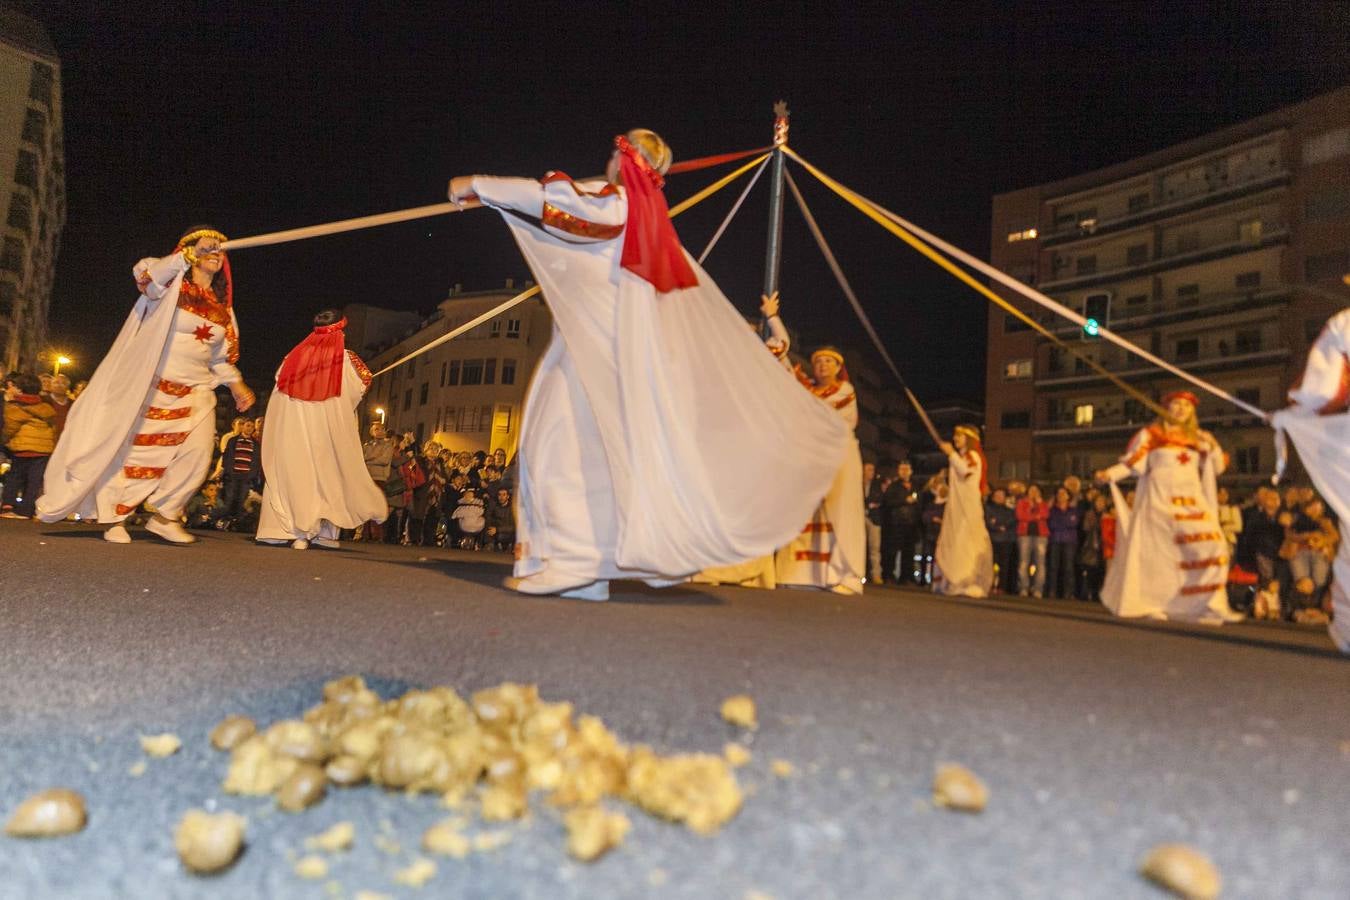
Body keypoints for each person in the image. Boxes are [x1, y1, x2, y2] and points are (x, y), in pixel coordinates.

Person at [448, 129, 848, 600]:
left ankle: (577, 561)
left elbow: (564, 209)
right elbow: (560, 216)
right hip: (603, 351)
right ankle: (587, 568)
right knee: (582, 450)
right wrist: (498, 198)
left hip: (596, 353)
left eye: (616, 156)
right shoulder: (644, 219)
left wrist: (480, 182)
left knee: (567, 449)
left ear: (624, 161)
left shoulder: (618, 205)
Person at [36, 227, 254, 542]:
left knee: (199, 452)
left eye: (220, 250)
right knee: (133, 455)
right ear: (190, 251)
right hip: (152, 385)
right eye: (208, 248)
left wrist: (237, 385)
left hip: (196, 391)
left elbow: (221, 358)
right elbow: (148, 278)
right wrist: (185, 255)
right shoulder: (168, 286)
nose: (215, 254)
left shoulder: (223, 310)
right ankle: (115, 517)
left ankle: (166, 517)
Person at [1094, 390, 1239, 623]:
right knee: (1157, 554)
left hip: (1191, 503)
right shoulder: (1151, 435)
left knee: (1213, 545)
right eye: (1176, 404)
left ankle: (1203, 603)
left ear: (1192, 411)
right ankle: (1151, 602)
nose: (1181, 409)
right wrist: (1109, 474)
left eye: (1186, 405)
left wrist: (1214, 448)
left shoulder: (1201, 438)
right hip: (1158, 500)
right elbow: (1133, 464)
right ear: (1167, 408)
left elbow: (1217, 467)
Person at [255, 311, 387, 550]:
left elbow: (279, 387)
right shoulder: (346, 359)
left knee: (294, 475)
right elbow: (361, 387)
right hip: (325, 434)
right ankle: (321, 533)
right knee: (325, 478)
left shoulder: (292, 357)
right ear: (338, 331)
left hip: (294, 432)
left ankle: (281, 530)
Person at [775, 347, 866, 595]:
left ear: (838, 367)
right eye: (819, 362)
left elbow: (823, 413)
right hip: (814, 458)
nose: (823, 365)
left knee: (839, 515)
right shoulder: (810, 391)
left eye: (828, 361)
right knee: (808, 512)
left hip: (840, 457)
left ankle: (843, 574)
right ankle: (801, 573)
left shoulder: (844, 392)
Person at [932, 425, 994, 597]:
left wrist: (951, 453)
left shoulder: (973, 457)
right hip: (957, 508)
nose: (955, 438)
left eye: (959, 436)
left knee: (965, 543)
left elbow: (965, 471)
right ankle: (949, 580)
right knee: (953, 541)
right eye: (955, 435)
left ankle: (965, 581)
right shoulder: (961, 457)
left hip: (968, 510)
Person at [1, 373, 56, 519]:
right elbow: (53, 427)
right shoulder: (46, 407)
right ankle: (27, 510)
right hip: (43, 450)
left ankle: (8, 506)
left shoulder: (15, 407)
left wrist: (4, 440)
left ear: (20, 388)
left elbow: (10, 428)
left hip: (22, 448)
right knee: (34, 481)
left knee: (14, 477)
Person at [881, 460, 922, 585]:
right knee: (892, 551)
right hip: (896, 523)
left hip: (911, 524)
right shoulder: (894, 486)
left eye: (906, 469)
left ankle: (907, 576)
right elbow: (888, 502)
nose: (904, 472)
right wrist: (904, 500)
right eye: (901, 469)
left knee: (909, 552)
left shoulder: (916, 486)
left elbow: (921, 502)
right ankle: (889, 575)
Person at [218, 419, 259, 527]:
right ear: (243, 427)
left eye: (251, 426)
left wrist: (252, 474)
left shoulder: (255, 444)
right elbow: (226, 456)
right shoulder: (233, 440)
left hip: (246, 476)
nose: (249, 428)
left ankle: (237, 522)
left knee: (242, 499)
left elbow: (256, 460)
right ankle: (225, 520)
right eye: (247, 425)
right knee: (229, 497)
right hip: (233, 474)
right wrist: (227, 470)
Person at [361, 422, 395, 541]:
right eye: (376, 429)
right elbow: (361, 458)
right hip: (367, 477)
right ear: (371, 431)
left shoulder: (388, 445)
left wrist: (369, 459)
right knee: (366, 506)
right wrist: (375, 457)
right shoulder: (367, 445)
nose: (379, 431)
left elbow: (384, 460)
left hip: (380, 478)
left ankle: (377, 535)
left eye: (381, 429)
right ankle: (365, 533)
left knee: (377, 505)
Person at [1046, 486, 1081, 600]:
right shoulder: (1052, 510)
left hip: (1069, 541)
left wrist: (1063, 523)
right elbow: (1051, 524)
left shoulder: (1073, 510)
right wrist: (1064, 523)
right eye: (1059, 493)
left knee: (1068, 567)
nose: (1061, 495)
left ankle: (1069, 592)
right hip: (1055, 540)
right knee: (1053, 566)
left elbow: (1074, 523)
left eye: (1064, 493)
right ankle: (1052, 591)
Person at [1015, 484, 1049, 597]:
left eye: (1036, 490)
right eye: (1031, 490)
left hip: (1040, 536)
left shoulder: (1043, 503)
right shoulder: (1022, 503)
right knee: (1023, 562)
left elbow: (1045, 514)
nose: (1033, 492)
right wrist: (1035, 516)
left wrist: (1038, 505)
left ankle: (1038, 589)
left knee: (1040, 563)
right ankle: (1023, 587)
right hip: (1025, 535)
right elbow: (1020, 516)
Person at [985, 486, 1017, 594]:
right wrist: (997, 527)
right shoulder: (988, 508)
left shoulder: (1009, 510)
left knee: (1004, 564)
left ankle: (1001, 587)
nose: (999, 497)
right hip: (992, 539)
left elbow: (1011, 521)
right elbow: (988, 522)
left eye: (1001, 496)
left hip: (1005, 540)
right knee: (990, 563)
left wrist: (1000, 525)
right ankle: (989, 584)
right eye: (997, 495)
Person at [863, 461, 885, 584]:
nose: (871, 472)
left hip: (874, 519)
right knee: (860, 546)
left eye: (872, 469)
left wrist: (869, 504)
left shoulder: (877, 485)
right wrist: (868, 504)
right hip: (861, 517)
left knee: (875, 547)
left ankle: (876, 574)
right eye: (868, 469)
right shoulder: (858, 484)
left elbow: (879, 499)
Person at [484, 485, 515, 551]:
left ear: (508, 496)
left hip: (508, 533)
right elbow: (488, 517)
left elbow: (514, 527)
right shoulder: (493, 505)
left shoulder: (512, 508)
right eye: (499, 495)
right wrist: (490, 528)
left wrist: (498, 529)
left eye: (504, 495)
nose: (501, 497)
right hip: (494, 532)